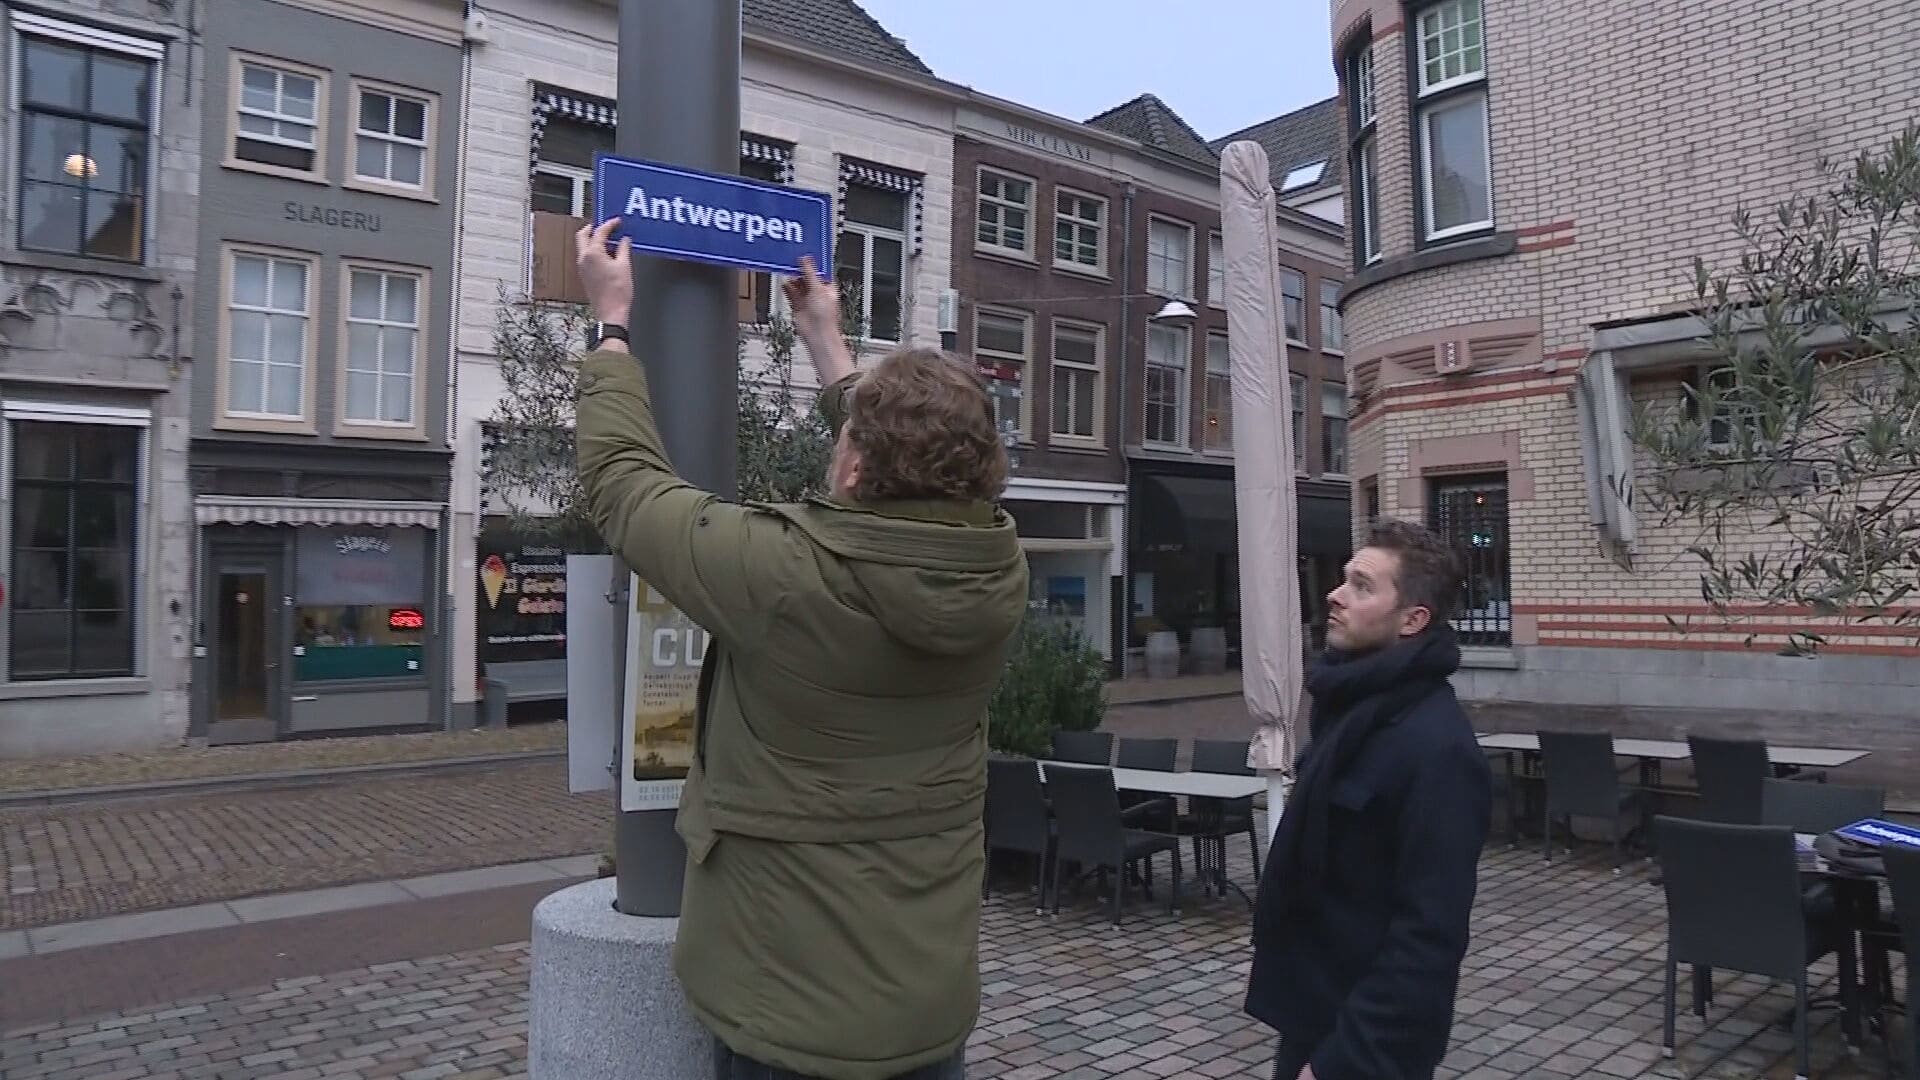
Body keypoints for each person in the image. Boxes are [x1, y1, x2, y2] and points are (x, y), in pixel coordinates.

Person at [571, 219, 1029, 1080]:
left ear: (853, 467)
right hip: (928, 1010)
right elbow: (908, 482)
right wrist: (829, 342)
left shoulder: (785, 576)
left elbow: (625, 487)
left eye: (850, 438)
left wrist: (611, 323)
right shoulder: (997, 573)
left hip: (788, 1025)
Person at [1245, 517, 1492, 1080]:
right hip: (1313, 1018)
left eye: (1361, 585)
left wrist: (1342, 1063)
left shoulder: (1436, 748)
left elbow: (1428, 938)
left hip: (1365, 1051)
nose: (1335, 594)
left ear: (1413, 619)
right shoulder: (1352, 709)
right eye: (1344, 578)